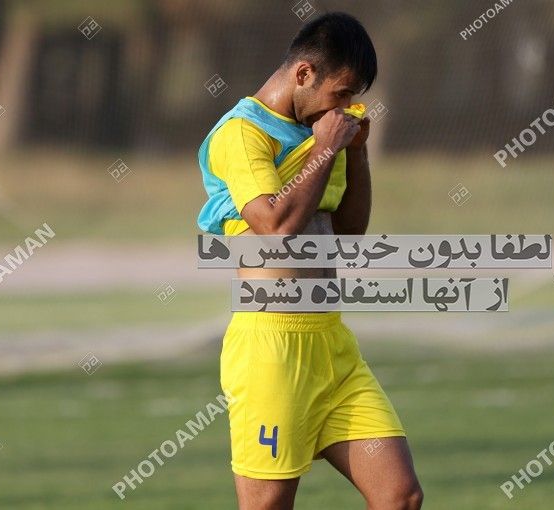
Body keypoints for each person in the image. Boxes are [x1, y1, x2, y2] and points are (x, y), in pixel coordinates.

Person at [196, 11, 423, 510]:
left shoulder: (320, 134)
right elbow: (275, 228)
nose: (346, 108)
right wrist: (324, 148)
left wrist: (356, 154)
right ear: (304, 74)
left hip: (332, 345)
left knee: (400, 496)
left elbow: (348, 232)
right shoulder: (243, 133)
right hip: (271, 349)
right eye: (341, 94)